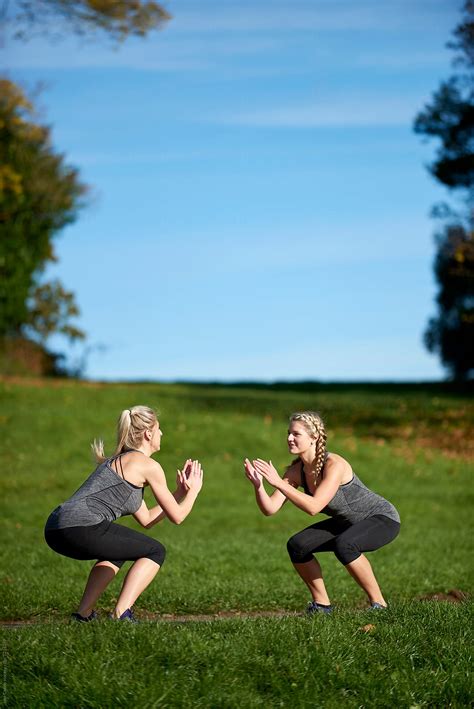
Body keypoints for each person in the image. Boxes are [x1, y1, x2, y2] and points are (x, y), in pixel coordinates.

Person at [44, 406, 203, 622]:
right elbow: (178, 517)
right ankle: (122, 614)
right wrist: (193, 492)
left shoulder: (120, 462)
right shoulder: (148, 465)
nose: (162, 433)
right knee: (156, 551)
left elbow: (147, 519)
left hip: (56, 527)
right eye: (159, 428)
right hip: (82, 525)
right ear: (148, 433)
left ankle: (83, 615)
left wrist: (178, 493)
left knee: (117, 550)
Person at [244, 411, 400, 614]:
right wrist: (259, 486)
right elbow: (270, 509)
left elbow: (314, 507)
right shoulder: (296, 472)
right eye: (288, 433)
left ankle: (380, 605)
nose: (289, 438)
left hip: (381, 518)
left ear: (314, 438)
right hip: (346, 522)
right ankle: (322, 606)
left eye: (296, 434)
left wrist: (278, 483)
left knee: (345, 545)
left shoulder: (334, 464)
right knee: (297, 545)